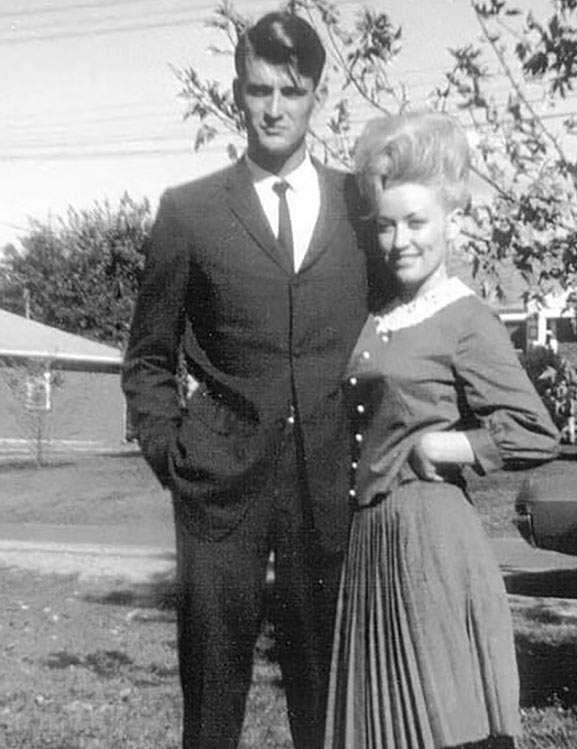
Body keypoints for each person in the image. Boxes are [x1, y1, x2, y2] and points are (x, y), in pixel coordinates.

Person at [122, 12, 386, 749]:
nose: (274, 108)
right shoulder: (190, 211)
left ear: (316, 99)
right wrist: (173, 451)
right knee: (211, 700)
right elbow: (148, 356)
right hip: (219, 483)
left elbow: (399, 330)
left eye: (291, 92)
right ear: (237, 94)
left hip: (331, 485)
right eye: (259, 90)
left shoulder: (361, 208)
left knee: (327, 699)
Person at [323, 112, 560, 749]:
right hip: (372, 541)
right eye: (387, 225)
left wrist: (448, 445)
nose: (400, 240)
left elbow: (535, 431)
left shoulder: (465, 315)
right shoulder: (382, 314)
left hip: (428, 539)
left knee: (435, 719)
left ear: (450, 220)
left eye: (416, 222)